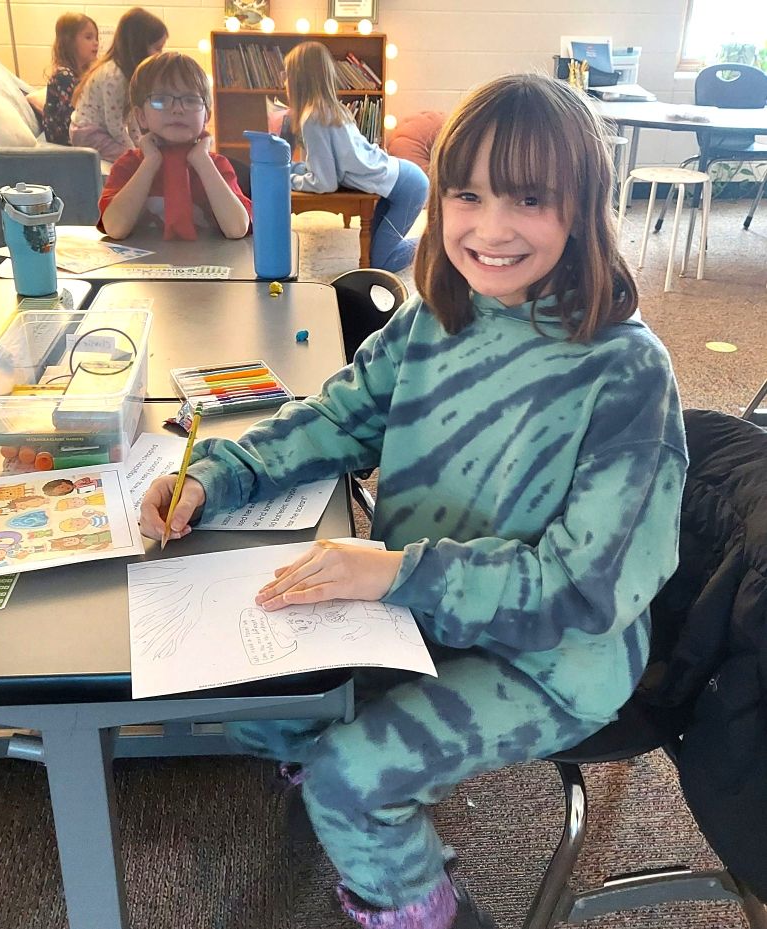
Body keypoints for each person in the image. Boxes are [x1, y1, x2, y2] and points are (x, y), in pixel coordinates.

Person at [140, 74, 689, 929]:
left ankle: (421, 904)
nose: (491, 227)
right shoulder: (439, 313)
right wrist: (220, 473)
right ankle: (345, 778)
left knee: (346, 779)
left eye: (530, 199)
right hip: (415, 609)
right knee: (252, 694)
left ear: (582, 209)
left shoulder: (626, 374)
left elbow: (584, 590)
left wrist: (395, 574)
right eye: (467, 193)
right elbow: (336, 417)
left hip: (552, 661)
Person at [284, 41, 428, 272]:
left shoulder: (312, 118)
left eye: (287, 75)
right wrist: (296, 169)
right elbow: (327, 169)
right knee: (374, 255)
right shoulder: (329, 110)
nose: (285, 82)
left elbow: (325, 183)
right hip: (399, 182)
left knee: (382, 263)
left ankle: (436, 246)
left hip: (406, 188)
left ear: (300, 78)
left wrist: (290, 179)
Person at [98, 52, 251, 240]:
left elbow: (237, 229)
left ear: (206, 117)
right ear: (141, 116)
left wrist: (202, 160)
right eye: (161, 100)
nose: (178, 109)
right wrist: (151, 162)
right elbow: (115, 228)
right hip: (144, 268)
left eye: (191, 100)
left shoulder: (217, 166)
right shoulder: (129, 165)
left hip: (206, 265)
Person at [69, 7, 167, 163]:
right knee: (134, 160)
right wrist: (135, 152)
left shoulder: (129, 75)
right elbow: (114, 125)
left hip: (101, 130)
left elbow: (131, 117)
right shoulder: (115, 76)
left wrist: (140, 144)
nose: (159, 55)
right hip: (87, 133)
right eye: (157, 49)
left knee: (141, 155)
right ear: (138, 46)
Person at [43, 13, 99, 145]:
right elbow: (72, 119)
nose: (96, 43)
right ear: (69, 41)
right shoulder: (64, 76)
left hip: (74, 134)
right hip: (63, 139)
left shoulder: (81, 74)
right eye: (89, 37)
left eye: (97, 38)